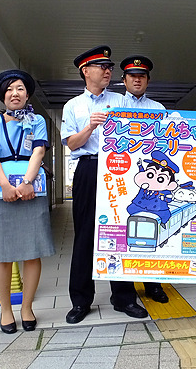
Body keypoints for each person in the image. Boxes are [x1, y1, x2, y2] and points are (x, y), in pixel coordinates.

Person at [61, 45, 148, 324]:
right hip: (88, 168)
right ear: (86, 71)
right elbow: (70, 143)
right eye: (102, 67)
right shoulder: (73, 106)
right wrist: (90, 127)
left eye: (110, 67)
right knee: (85, 234)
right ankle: (80, 300)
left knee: (120, 233)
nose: (109, 71)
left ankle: (123, 297)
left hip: (121, 168)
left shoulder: (123, 101)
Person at [0, 70, 55, 334]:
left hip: (31, 189)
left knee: (32, 253)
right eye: (10, 89)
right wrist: (5, 185)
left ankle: (27, 308)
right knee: (3, 255)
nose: (15, 93)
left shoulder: (36, 120)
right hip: (2, 190)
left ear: (27, 94)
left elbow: (39, 150)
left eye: (21, 88)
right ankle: (5, 310)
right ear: (3, 94)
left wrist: (26, 182)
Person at [119, 54, 170, 304]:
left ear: (148, 80)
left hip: (151, 177)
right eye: (132, 76)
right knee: (123, 228)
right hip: (120, 174)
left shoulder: (158, 109)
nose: (137, 80)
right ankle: (125, 291)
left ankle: (154, 286)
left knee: (153, 232)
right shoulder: (115, 105)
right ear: (124, 80)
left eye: (141, 76)